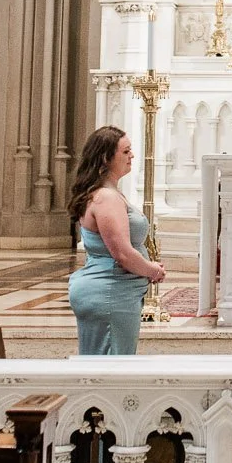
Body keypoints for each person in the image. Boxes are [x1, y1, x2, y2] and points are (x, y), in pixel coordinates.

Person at [67, 127, 164, 356]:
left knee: (106, 364)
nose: (132, 155)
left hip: (112, 292)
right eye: (126, 151)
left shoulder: (105, 193)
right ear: (105, 157)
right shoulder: (106, 198)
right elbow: (122, 253)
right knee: (112, 364)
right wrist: (152, 270)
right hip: (110, 293)